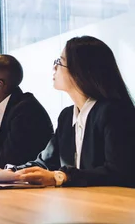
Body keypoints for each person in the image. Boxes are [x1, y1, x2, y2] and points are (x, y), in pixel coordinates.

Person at [12, 36, 135, 187]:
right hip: (80, 204)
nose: (54, 67)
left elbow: (118, 172)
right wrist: (7, 173)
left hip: (115, 205)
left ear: (80, 71)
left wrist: (62, 176)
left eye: (60, 62)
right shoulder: (66, 116)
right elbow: (45, 163)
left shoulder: (115, 112)